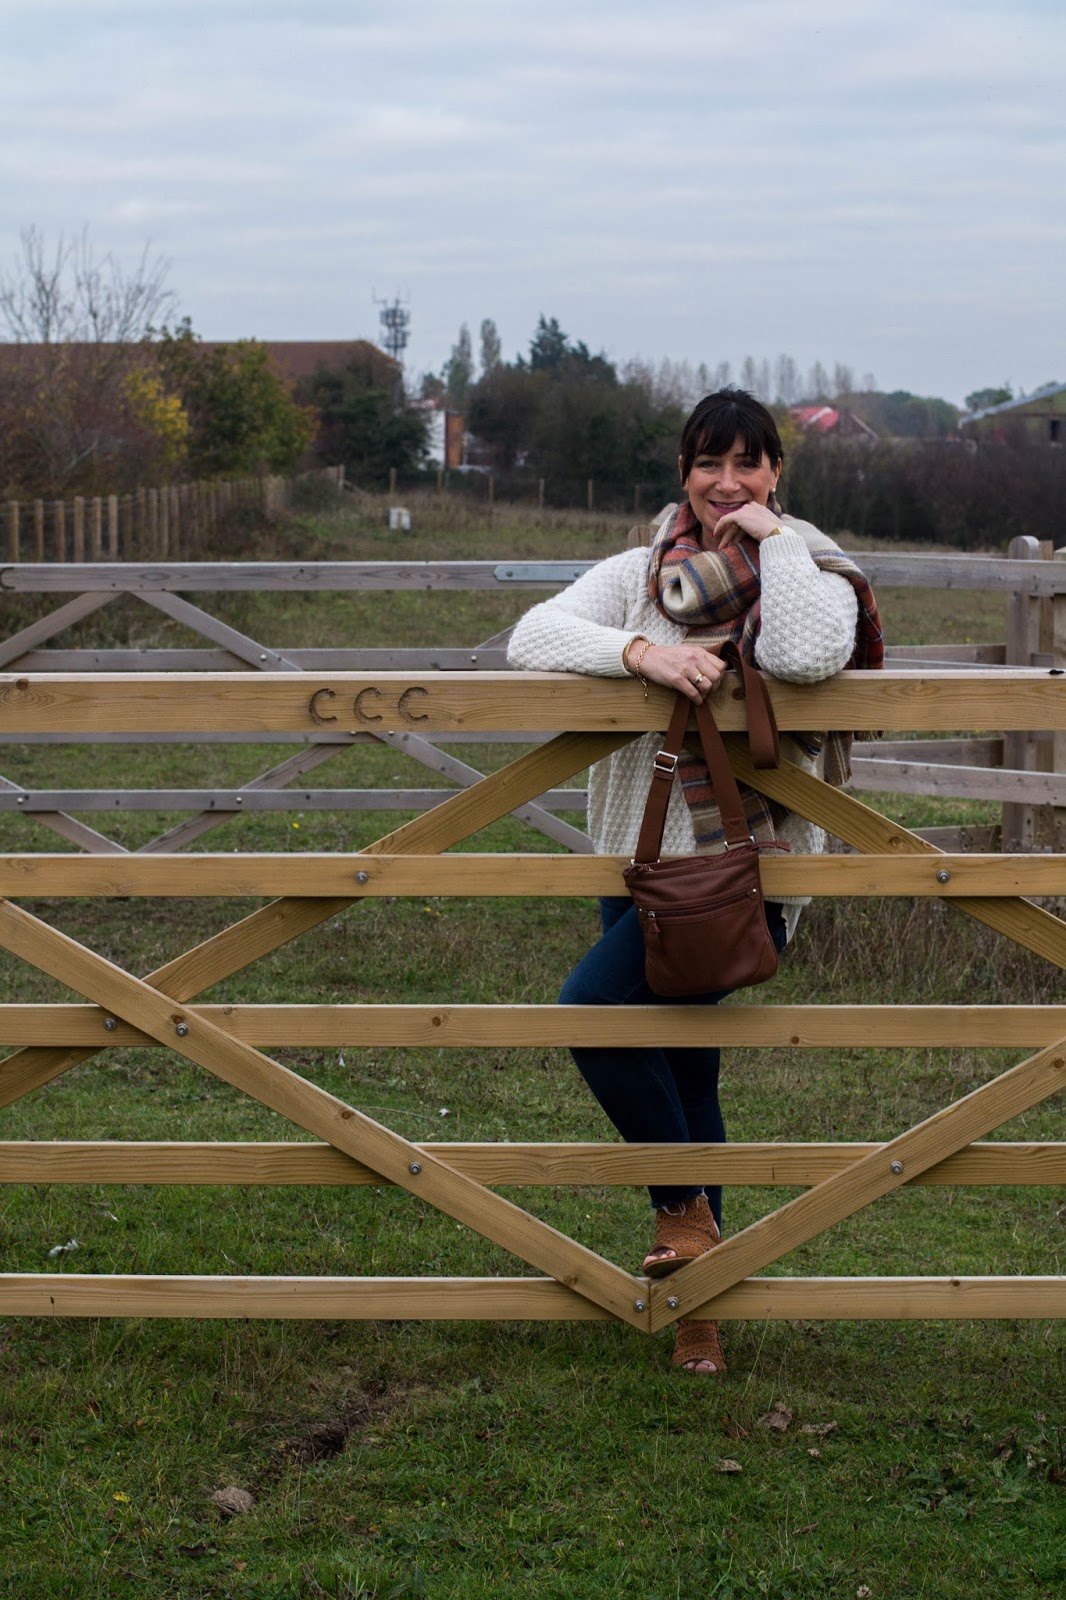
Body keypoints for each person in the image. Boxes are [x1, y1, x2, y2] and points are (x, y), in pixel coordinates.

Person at [506, 388, 883, 1376]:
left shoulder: (816, 568)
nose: (726, 482)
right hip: (634, 861)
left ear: (774, 473)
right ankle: (700, 1310)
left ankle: (682, 1218)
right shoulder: (640, 573)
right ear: (683, 471)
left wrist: (775, 537)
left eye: (748, 464)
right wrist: (639, 651)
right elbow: (530, 635)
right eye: (709, 463)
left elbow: (805, 653)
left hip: (744, 873)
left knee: (593, 1012)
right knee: (681, 1070)